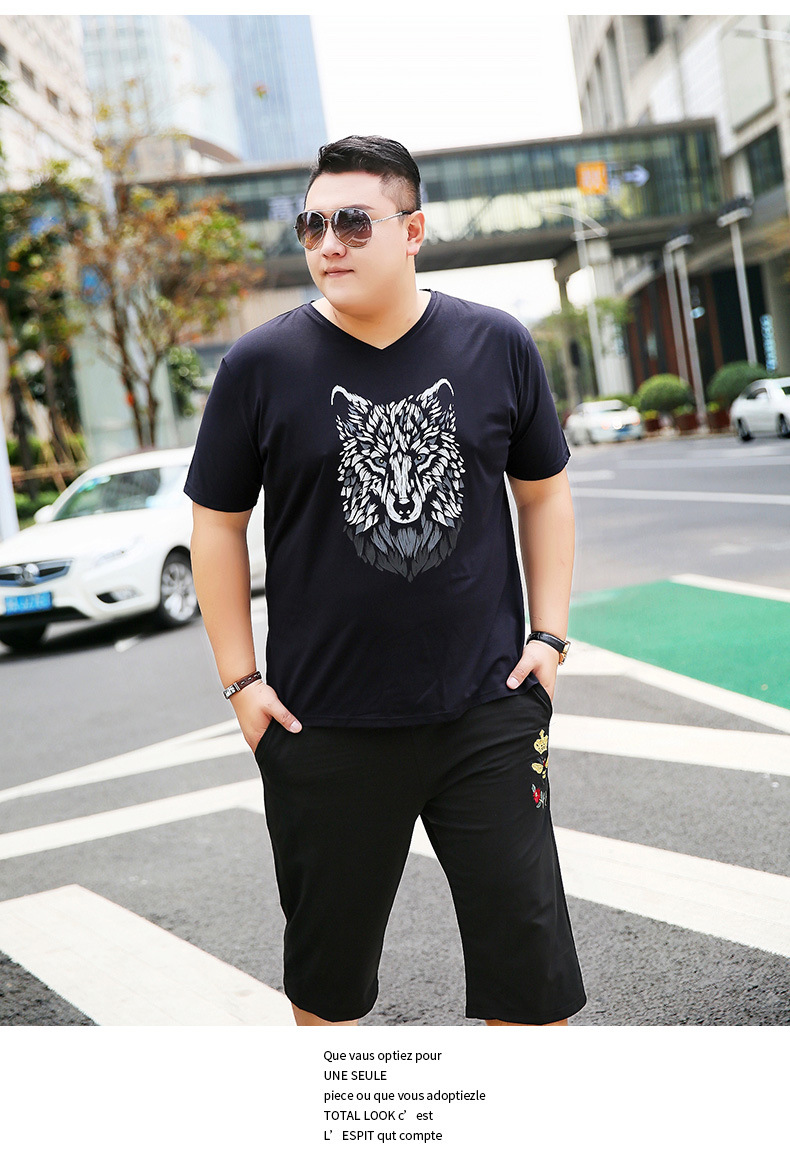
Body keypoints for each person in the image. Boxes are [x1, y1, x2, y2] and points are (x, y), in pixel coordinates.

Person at [184, 135, 586, 1028]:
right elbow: (216, 525)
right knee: (327, 993)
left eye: (354, 223)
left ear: (413, 231)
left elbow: (545, 492)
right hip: (322, 726)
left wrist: (549, 638)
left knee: (533, 987)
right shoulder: (260, 365)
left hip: (487, 712)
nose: (329, 243)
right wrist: (242, 685)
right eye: (312, 225)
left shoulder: (496, 343)